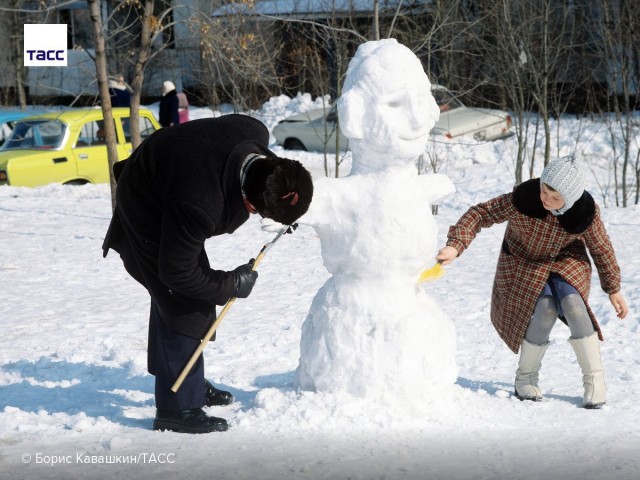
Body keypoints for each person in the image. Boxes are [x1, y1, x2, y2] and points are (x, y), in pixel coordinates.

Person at [102, 114, 313, 433]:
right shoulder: (200, 202)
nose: (253, 214)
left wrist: (285, 213)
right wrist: (230, 285)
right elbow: (177, 273)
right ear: (247, 198)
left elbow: (281, 186)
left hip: (174, 173)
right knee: (183, 301)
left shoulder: (255, 135)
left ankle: (187, 378)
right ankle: (177, 408)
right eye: (255, 210)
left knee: (185, 293)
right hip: (147, 200)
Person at [436, 152, 628, 409]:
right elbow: (480, 213)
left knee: (573, 303)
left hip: (566, 260)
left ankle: (594, 380)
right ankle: (526, 377)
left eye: (555, 197)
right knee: (545, 308)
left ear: (569, 199)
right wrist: (455, 245)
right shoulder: (523, 200)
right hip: (523, 262)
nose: (547, 199)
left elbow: (601, 248)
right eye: (545, 190)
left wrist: (613, 288)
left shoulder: (584, 214)